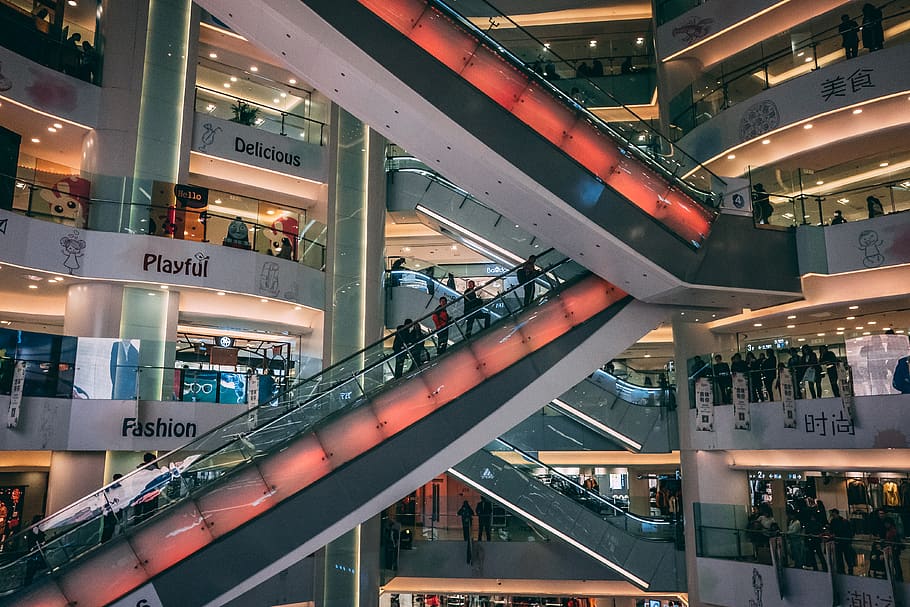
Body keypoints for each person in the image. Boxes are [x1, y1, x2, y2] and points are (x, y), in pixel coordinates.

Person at [828, 508, 856, 574]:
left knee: (846, 556)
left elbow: (846, 531)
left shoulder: (842, 521)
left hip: (842, 541)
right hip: (840, 541)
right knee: (841, 556)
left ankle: (848, 568)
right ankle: (843, 568)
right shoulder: (835, 521)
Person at [23, 514, 46, 584]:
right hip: (35, 548)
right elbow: (36, 538)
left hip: (34, 548)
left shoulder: (34, 527)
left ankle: (29, 579)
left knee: (33, 564)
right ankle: (29, 580)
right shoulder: (35, 528)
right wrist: (41, 542)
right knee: (33, 564)